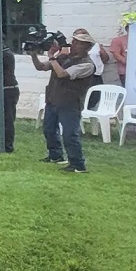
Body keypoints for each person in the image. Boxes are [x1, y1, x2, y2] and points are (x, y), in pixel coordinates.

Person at [33, 31, 98, 173]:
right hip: (53, 99)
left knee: (70, 134)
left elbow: (62, 74)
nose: (72, 44)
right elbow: (41, 67)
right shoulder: (63, 57)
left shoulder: (87, 65)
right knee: (49, 129)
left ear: (86, 47)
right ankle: (55, 155)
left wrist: (52, 56)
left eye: (77, 42)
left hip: (70, 103)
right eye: (73, 41)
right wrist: (33, 53)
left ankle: (78, 164)